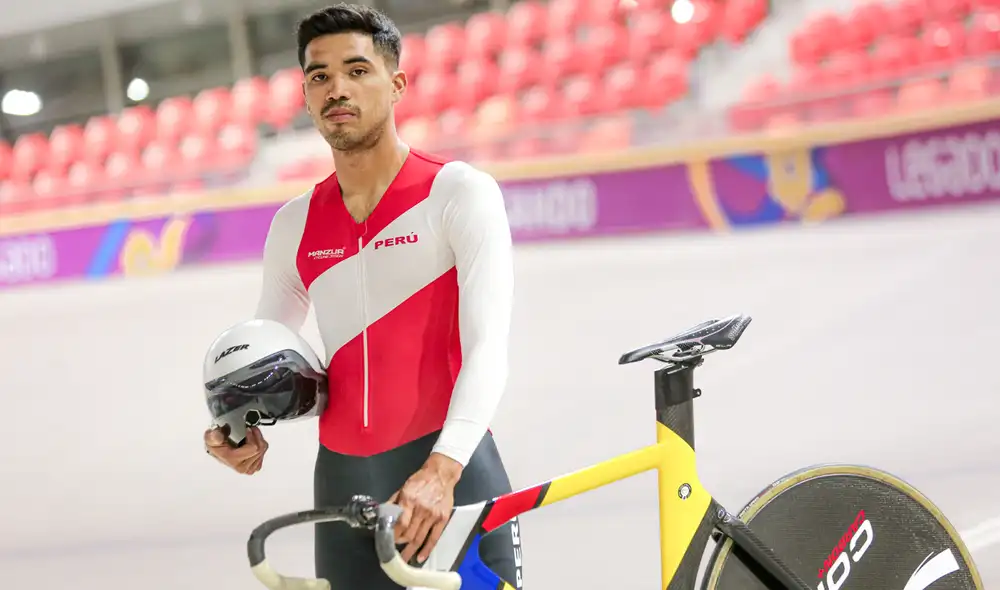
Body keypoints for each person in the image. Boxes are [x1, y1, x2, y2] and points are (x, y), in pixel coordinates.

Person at [202, 3, 522, 589]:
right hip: (343, 485)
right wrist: (237, 429)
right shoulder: (294, 225)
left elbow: (487, 349)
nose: (336, 89)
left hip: (450, 476)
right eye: (319, 76)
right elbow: (262, 351)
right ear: (304, 95)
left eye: (357, 70)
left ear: (396, 84)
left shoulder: (458, 193)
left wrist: (444, 469)